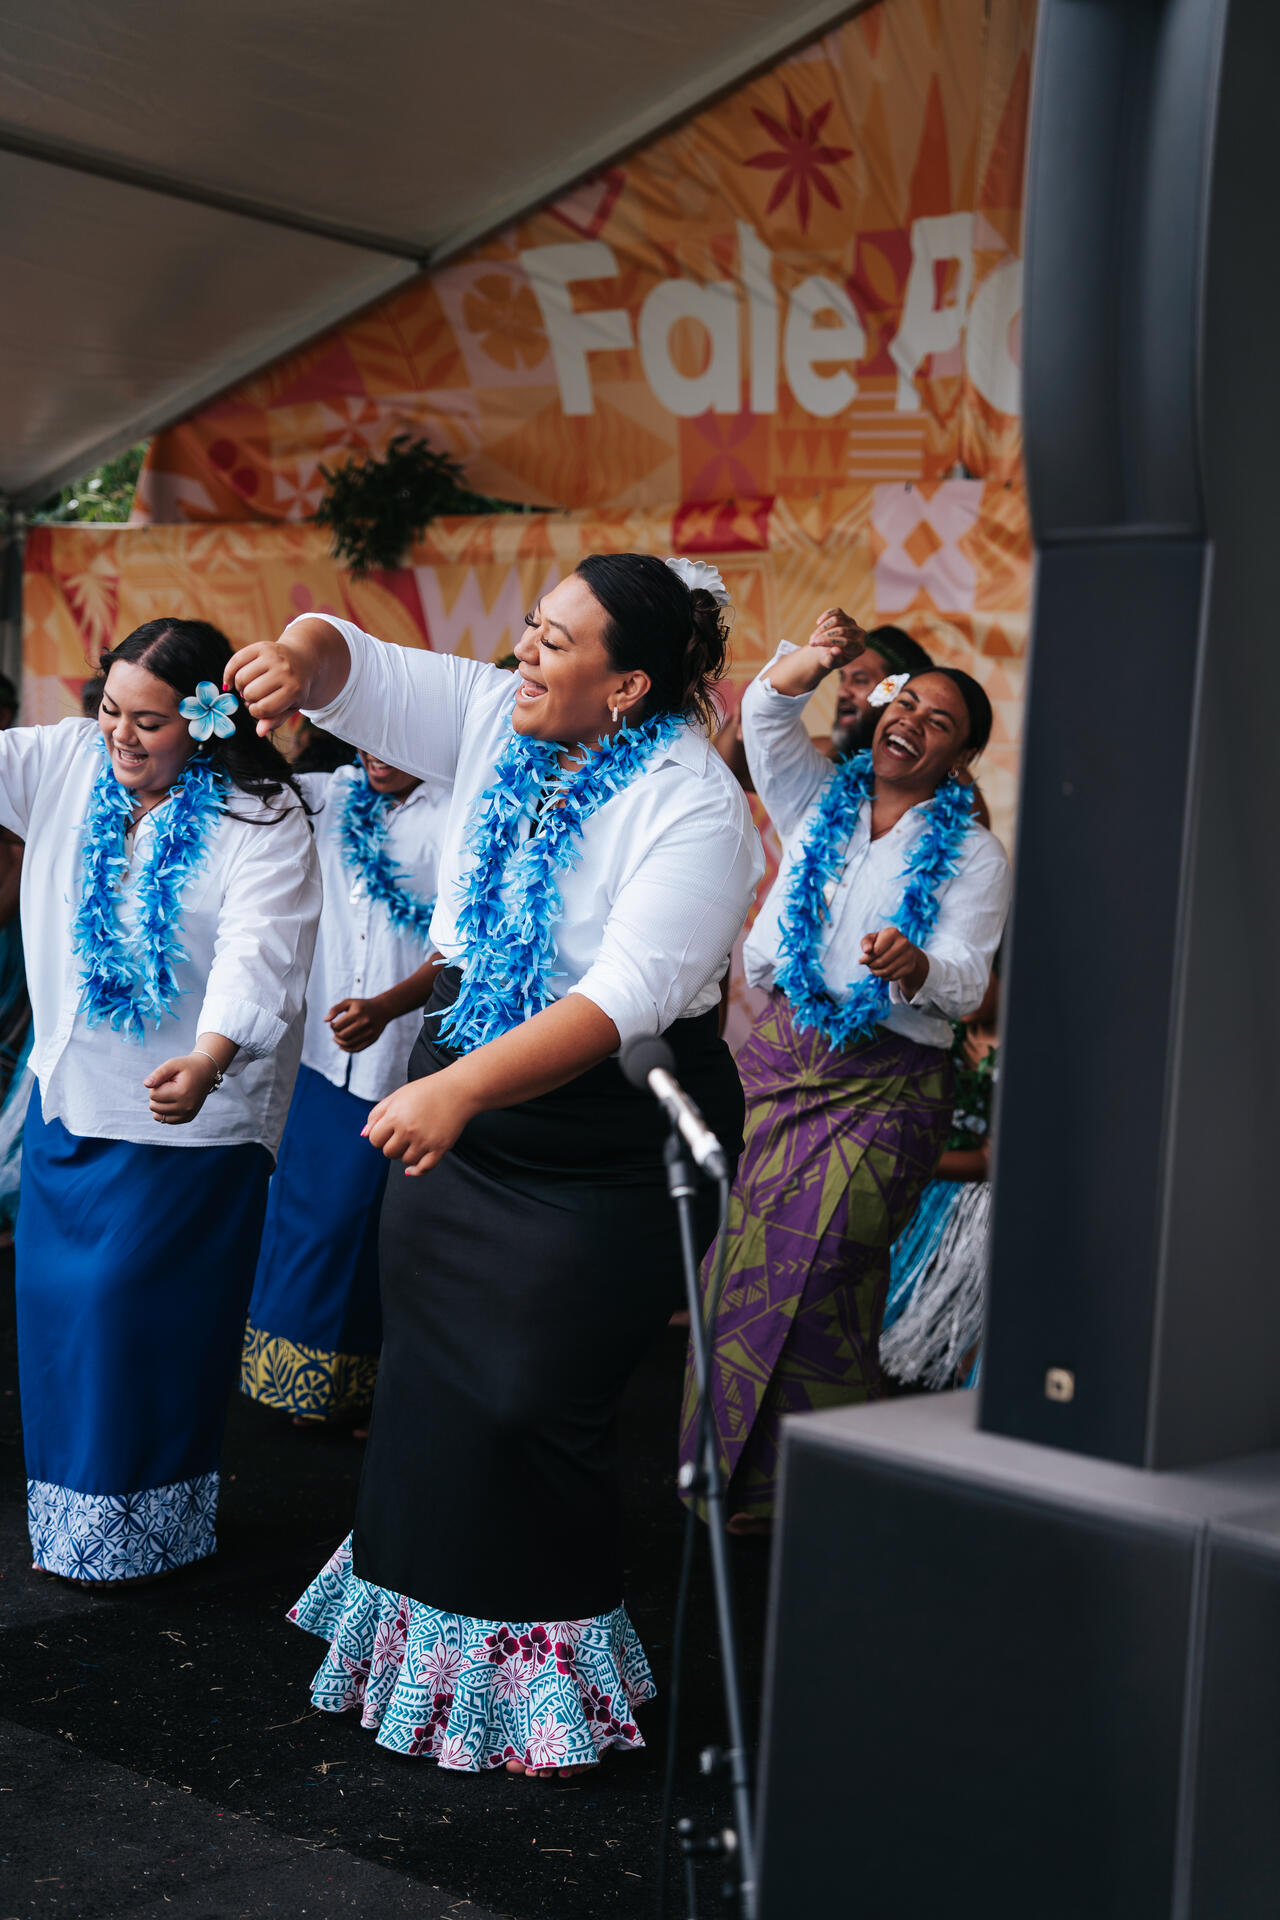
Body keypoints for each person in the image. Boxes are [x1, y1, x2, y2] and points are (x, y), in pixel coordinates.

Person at [224, 554, 763, 1776]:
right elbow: (351, 668)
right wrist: (302, 656)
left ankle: (535, 1693)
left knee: (529, 1404)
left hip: (603, 1132)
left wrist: (457, 1085)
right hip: (464, 1097)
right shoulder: (493, 710)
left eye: (554, 641)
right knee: (432, 1390)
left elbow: (626, 994)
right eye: (528, 627)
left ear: (626, 685)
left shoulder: (691, 803)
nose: (523, 652)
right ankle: (419, 1670)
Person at [680, 610, 1011, 1531]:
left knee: (825, 1274)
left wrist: (916, 965)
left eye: (940, 719)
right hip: (782, 1058)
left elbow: (969, 978)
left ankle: (818, 1494)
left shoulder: (975, 856)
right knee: (740, 1264)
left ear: (964, 756)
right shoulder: (818, 797)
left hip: (888, 1081)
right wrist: (815, 661)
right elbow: (766, 721)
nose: (911, 718)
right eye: (905, 702)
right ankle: (725, 1485)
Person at [6, 618, 321, 1584]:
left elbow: (260, 948)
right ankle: (78, 1528)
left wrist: (213, 1053)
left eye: (149, 721)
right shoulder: (64, 764)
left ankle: (156, 1523)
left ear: (207, 720)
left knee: (140, 1318)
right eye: (110, 710)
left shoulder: (260, 817)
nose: (121, 737)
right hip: (73, 1105)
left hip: (189, 1121)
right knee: (62, 1315)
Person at [241, 749, 446, 1423]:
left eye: (397, 741)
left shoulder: (459, 809)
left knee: (363, 1225)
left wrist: (388, 1006)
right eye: (366, 738)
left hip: (398, 1060)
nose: (376, 755)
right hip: (322, 1056)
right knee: (301, 1209)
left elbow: (464, 943)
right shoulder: (326, 794)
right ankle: (277, 1377)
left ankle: (349, 1394)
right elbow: (247, 782)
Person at [880, 969, 999, 1390]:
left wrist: (913, 1161)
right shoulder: (944, 1034)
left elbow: (991, 1159)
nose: (961, 993)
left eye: (979, 980)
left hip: (977, 1207)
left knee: (963, 1326)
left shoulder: (1023, 1052)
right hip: (928, 1187)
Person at [715, 622, 934, 790]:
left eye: (859, 680)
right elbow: (730, 772)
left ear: (901, 693)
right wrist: (749, 712)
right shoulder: (825, 756)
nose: (842, 692)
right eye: (842, 679)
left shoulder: (933, 773)